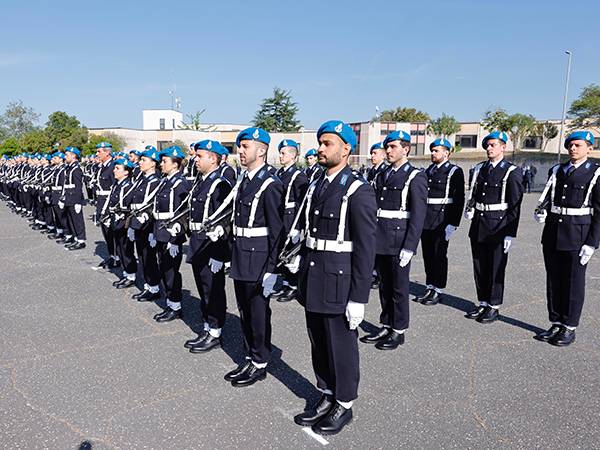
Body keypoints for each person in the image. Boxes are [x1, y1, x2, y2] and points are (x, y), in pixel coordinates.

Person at [291, 120, 376, 436]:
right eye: (320, 143)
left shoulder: (357, 189)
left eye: (328, 143)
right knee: (319, 342)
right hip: (314, 275)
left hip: (339, 281)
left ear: (346, 149)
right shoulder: (318, 185)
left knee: (341, 345)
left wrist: (359, 297)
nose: (320, 149)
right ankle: (326, 394)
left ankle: (345, 402)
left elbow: (366, 248)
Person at [221, 127, 283, 387]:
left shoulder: (270, 183)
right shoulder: (244, 179)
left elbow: (277, 230)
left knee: (258, 313)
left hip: (258, 259)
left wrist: (272, 268)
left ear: (262, 149)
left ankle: (259, 361)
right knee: (244, 310)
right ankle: (250, 355)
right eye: (240, 146)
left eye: (245, 146)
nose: (240, 151)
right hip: (241, 254)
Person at [360, 130, 427, 349]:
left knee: (399, 287)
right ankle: (386, 324)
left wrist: (410, 246)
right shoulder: (382, 174)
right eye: (387, 147)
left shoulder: (415, 176)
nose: (388, 151)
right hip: (380, 238)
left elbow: (418, 215)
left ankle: (398, 330)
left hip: (399, 240)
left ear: (405, 149)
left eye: (393, 147)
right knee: (384, 285)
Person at [533, 131, 600, 346]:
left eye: (578, 145)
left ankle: (569, 327)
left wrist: (592, 242)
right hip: (553, 233)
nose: (573, 148)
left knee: (573, 283)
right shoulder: (558, 170)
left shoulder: (596, 173)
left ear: (589, 148)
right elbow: (550, 198)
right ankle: (555, 322)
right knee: (554, 280)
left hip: (577, 236)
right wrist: (542, 212)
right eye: (570, 145)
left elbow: (599, 212)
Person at [464, 131, 523, 323]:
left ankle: (494, 305)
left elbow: (515, 205)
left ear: (503, 147)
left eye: (493, 145)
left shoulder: (511, 171)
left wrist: (510, 233)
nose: (489, 148)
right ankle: (483, 302)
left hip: (498, 225)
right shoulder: (481, 168)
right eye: (487, 145)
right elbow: (474, 192)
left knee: (495, 267)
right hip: (480, 223)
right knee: (480, 266)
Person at [184, 140, 232, 353]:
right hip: (198, 241)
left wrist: (220, 254)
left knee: (213, 290)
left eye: (200, 156)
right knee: (203, 288)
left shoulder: (220, 184)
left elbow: (225, 221)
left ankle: (215, 331)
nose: (195, 159)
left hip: (211, 245)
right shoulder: (201, 181)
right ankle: (207, 326)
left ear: (213, 158)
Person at [413, 138, 465, 305]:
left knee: (439, 255)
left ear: (447, 153)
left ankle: (438, 289)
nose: (433, 153)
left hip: (442, 220)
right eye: (432, 150)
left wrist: (453, 223)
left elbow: (459, 199)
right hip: (427, 219)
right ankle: (430, 286)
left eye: (437, 150)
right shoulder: (429, 170)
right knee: (428, 255)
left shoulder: (454, 171)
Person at [151, 146, 191, 322]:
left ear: (176, 164)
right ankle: (170, 301)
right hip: (160, 229)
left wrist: (176, 239)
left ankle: (175, 306)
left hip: (171, 233)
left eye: (165, 161)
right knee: (163, 267)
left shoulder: (180, 183)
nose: (161, 164)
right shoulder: (165, 181)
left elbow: (183, 213)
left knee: (171, 271)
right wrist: (154, 230)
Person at [271, 139, 308, 303]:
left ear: (292, 155)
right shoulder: (279, 174)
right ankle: (286, 283)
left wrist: (298, 227)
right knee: (282, 251)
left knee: (291, 253)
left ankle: (293, 286)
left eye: (283, 153)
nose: (280, 156)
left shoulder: (298, 175)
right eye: (280, 153)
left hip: (290, 219)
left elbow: (302, 204)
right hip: (279, 217)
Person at [129, 146, 163, 302]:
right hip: (138, 224)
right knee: (142, 256)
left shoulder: (155, 181)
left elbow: (152, 206)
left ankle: (154, 287)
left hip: (148, 225)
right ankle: (148, 286)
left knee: (149, 258)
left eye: (144, 160)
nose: (140, 163)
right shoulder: (141, 179)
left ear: (153, 163)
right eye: (141, 160)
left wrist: (152, 231)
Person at [105, 158, 138, 289]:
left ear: (126, 172)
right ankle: (126, 273)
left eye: (118, 168)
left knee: (126, 249)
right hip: (116, 220)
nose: (114, 170)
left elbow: (130, 207)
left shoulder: (129, 186)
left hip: (124, 221)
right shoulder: (117, 184)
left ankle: (131, 275)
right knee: (119, 248)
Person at [94, 142, 119, 269]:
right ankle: (112, 256)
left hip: (108, 203)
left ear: (107, 152)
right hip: (101, 200)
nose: (97, 154)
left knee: (112, 233)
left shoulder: (113, 167)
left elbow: (114, 189)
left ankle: (117, 257)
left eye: (99, 151)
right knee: (106, 232)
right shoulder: (102, 166)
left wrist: (108, 209)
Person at [61, 147, 87, 250]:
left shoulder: (76, 169)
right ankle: (76, 238)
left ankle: (81, 240)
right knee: (71, 219)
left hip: (74, 198)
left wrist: (78, 201)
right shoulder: (69, 168)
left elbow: (78, 186)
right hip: (68, 197)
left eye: (67, 155)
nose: (65, 157)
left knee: (77, 220)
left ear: (73, 156)